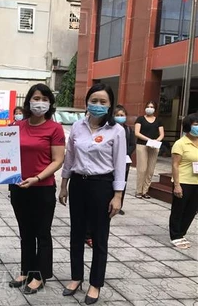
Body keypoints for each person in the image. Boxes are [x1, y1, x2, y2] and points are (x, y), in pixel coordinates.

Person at [59, 83, 126, 305]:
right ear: (87, 102)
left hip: (102, 186)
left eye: (103, 102)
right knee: (76, 233)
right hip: (78, 184)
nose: (97, 105)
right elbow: (69, 158)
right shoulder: (77, 127)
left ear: (110, 105)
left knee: (99, 236)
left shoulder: (116, 131)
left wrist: (117, 196)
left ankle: (95, 283)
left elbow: (119, 165)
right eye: (94, 101)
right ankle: (76, 276)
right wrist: (64, 184)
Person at [8, 84, 65, 294]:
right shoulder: (17, 126)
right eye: (35, 98)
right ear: (28, 101)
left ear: (49, 103)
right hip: (18, 186)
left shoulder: (54, 128)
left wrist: (37, 177)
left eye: (43, 98)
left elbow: (58, 160)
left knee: (42, 232)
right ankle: (26, 270)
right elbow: (4, 152)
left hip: (42, 187)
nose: (39, 102)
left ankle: (40, 275)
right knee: (25, 232)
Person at [169, 113, 198, 249]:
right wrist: (177, 185)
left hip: (196, 182)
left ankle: (182, 233)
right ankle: (175, 235)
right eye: (196, 125)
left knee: (191, 210)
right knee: (179, 210)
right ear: (188, 126)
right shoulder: (180, 143)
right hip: (183, 181)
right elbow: (175, 165)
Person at [134, 101, 164, 199]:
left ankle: (145, 191)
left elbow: (162, 134)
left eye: (152, 107)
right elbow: (137, 133)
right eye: (148, 106)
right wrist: (149, 140)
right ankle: (139, 191)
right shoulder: (140, 119)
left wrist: (156, 140)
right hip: (142, 145)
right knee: (142, 169)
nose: (149, 108)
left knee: (150, 170)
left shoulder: (158, 121)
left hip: (154, 146)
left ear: (155, 109)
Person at [114, 105, 136, 215]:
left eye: (122, 115)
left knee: (123, 182)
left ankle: (119, 204)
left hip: (125, 160)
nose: (119, 117)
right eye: (117, 115)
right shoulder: (110, 128)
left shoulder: (128, 129)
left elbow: (133, 144)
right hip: (112, 160)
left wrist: (125, 153)